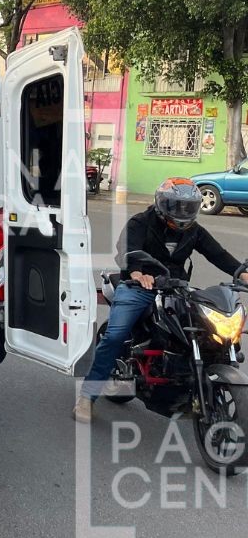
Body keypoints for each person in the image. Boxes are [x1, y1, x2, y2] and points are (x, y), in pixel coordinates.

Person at [74, 178, 248, 423]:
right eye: (177, 206)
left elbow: (217, 254)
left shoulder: (193, 230)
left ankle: (193, 385)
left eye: (188, 207)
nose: (182, 213)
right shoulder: (141, 222)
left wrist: (242, 273)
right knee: (115, 335)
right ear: (162, 204)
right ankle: (87, 397)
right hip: (138, 286)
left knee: (205, 328)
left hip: (176, 287)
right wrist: (136, 272)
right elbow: (126, 249)